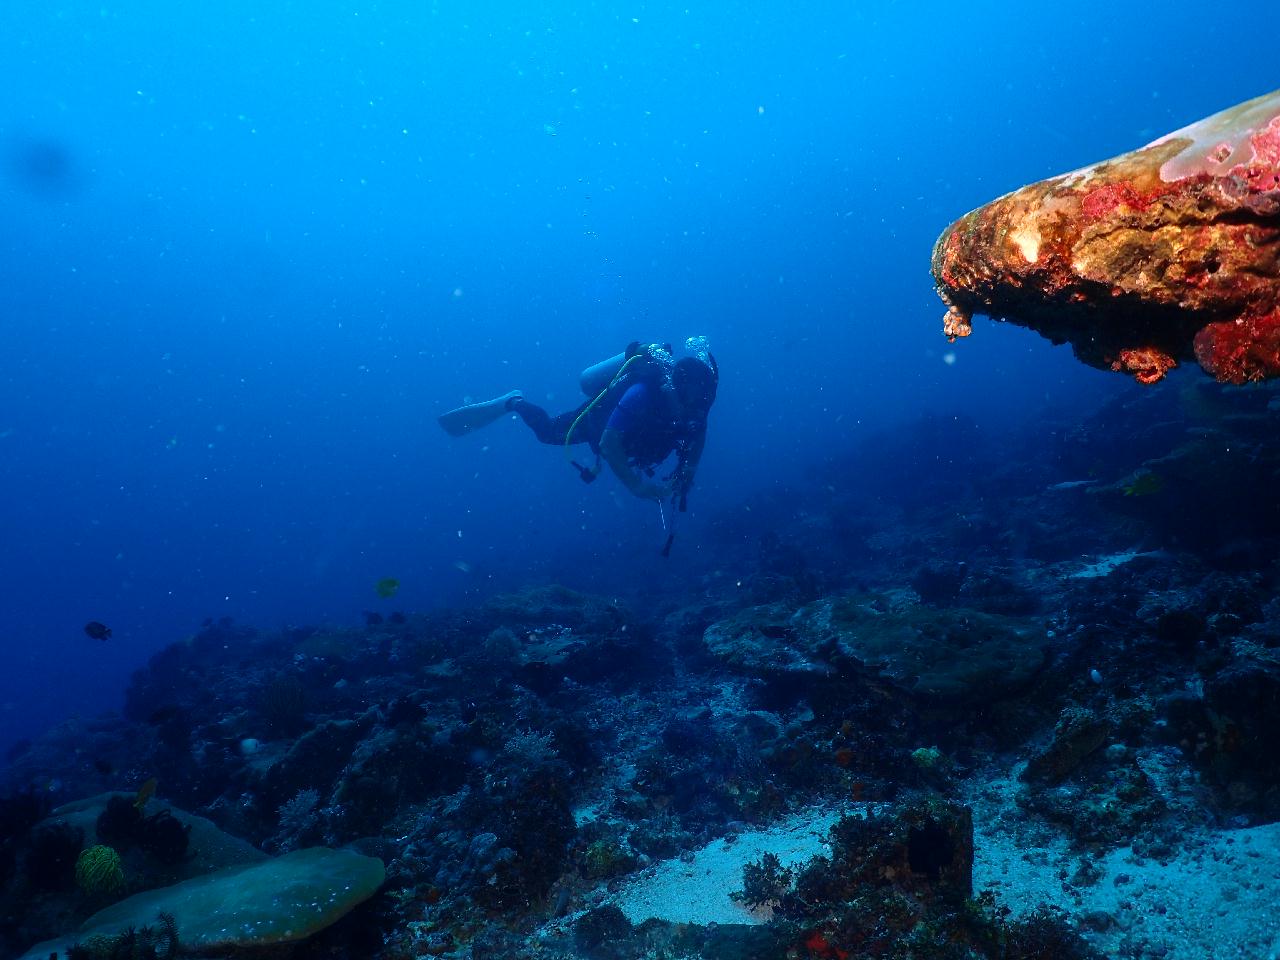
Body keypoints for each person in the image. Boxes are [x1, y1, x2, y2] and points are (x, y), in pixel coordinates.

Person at [438, 339, 718, 503]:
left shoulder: (697, 405)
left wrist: (688, 473)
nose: (693, 408)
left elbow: (699, 433)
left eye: (701, 400)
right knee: (548, 433)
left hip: (637, 440)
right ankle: (514, 401)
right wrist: (638, 486)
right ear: (676, 386)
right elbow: (609, 443)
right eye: (690, 398)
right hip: (597, 423)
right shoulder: (642, 393)